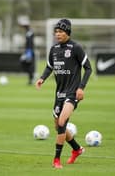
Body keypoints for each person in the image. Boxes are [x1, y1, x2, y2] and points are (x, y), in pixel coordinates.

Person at [35, 19, 92, 168]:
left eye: (61, 32)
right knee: (58, 127)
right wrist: (42, 78)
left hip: (72, 93)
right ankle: (77, 149)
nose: (58, 34)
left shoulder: (76, 48)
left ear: (68, 32)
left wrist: (81, 87)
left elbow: (88, 68)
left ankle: (56, 160)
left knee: (61, 123)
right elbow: (49, 67)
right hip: (59, 93)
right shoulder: (53, 49)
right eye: (56, 32)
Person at [18, 16, 35, 85]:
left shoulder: (30, 33)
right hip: (27, 51)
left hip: (29, 51)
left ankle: (31, 79)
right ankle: (31, 78)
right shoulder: (28, 32)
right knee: (24, 62)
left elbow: (30, 43)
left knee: (29, 65)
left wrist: (29, 52)